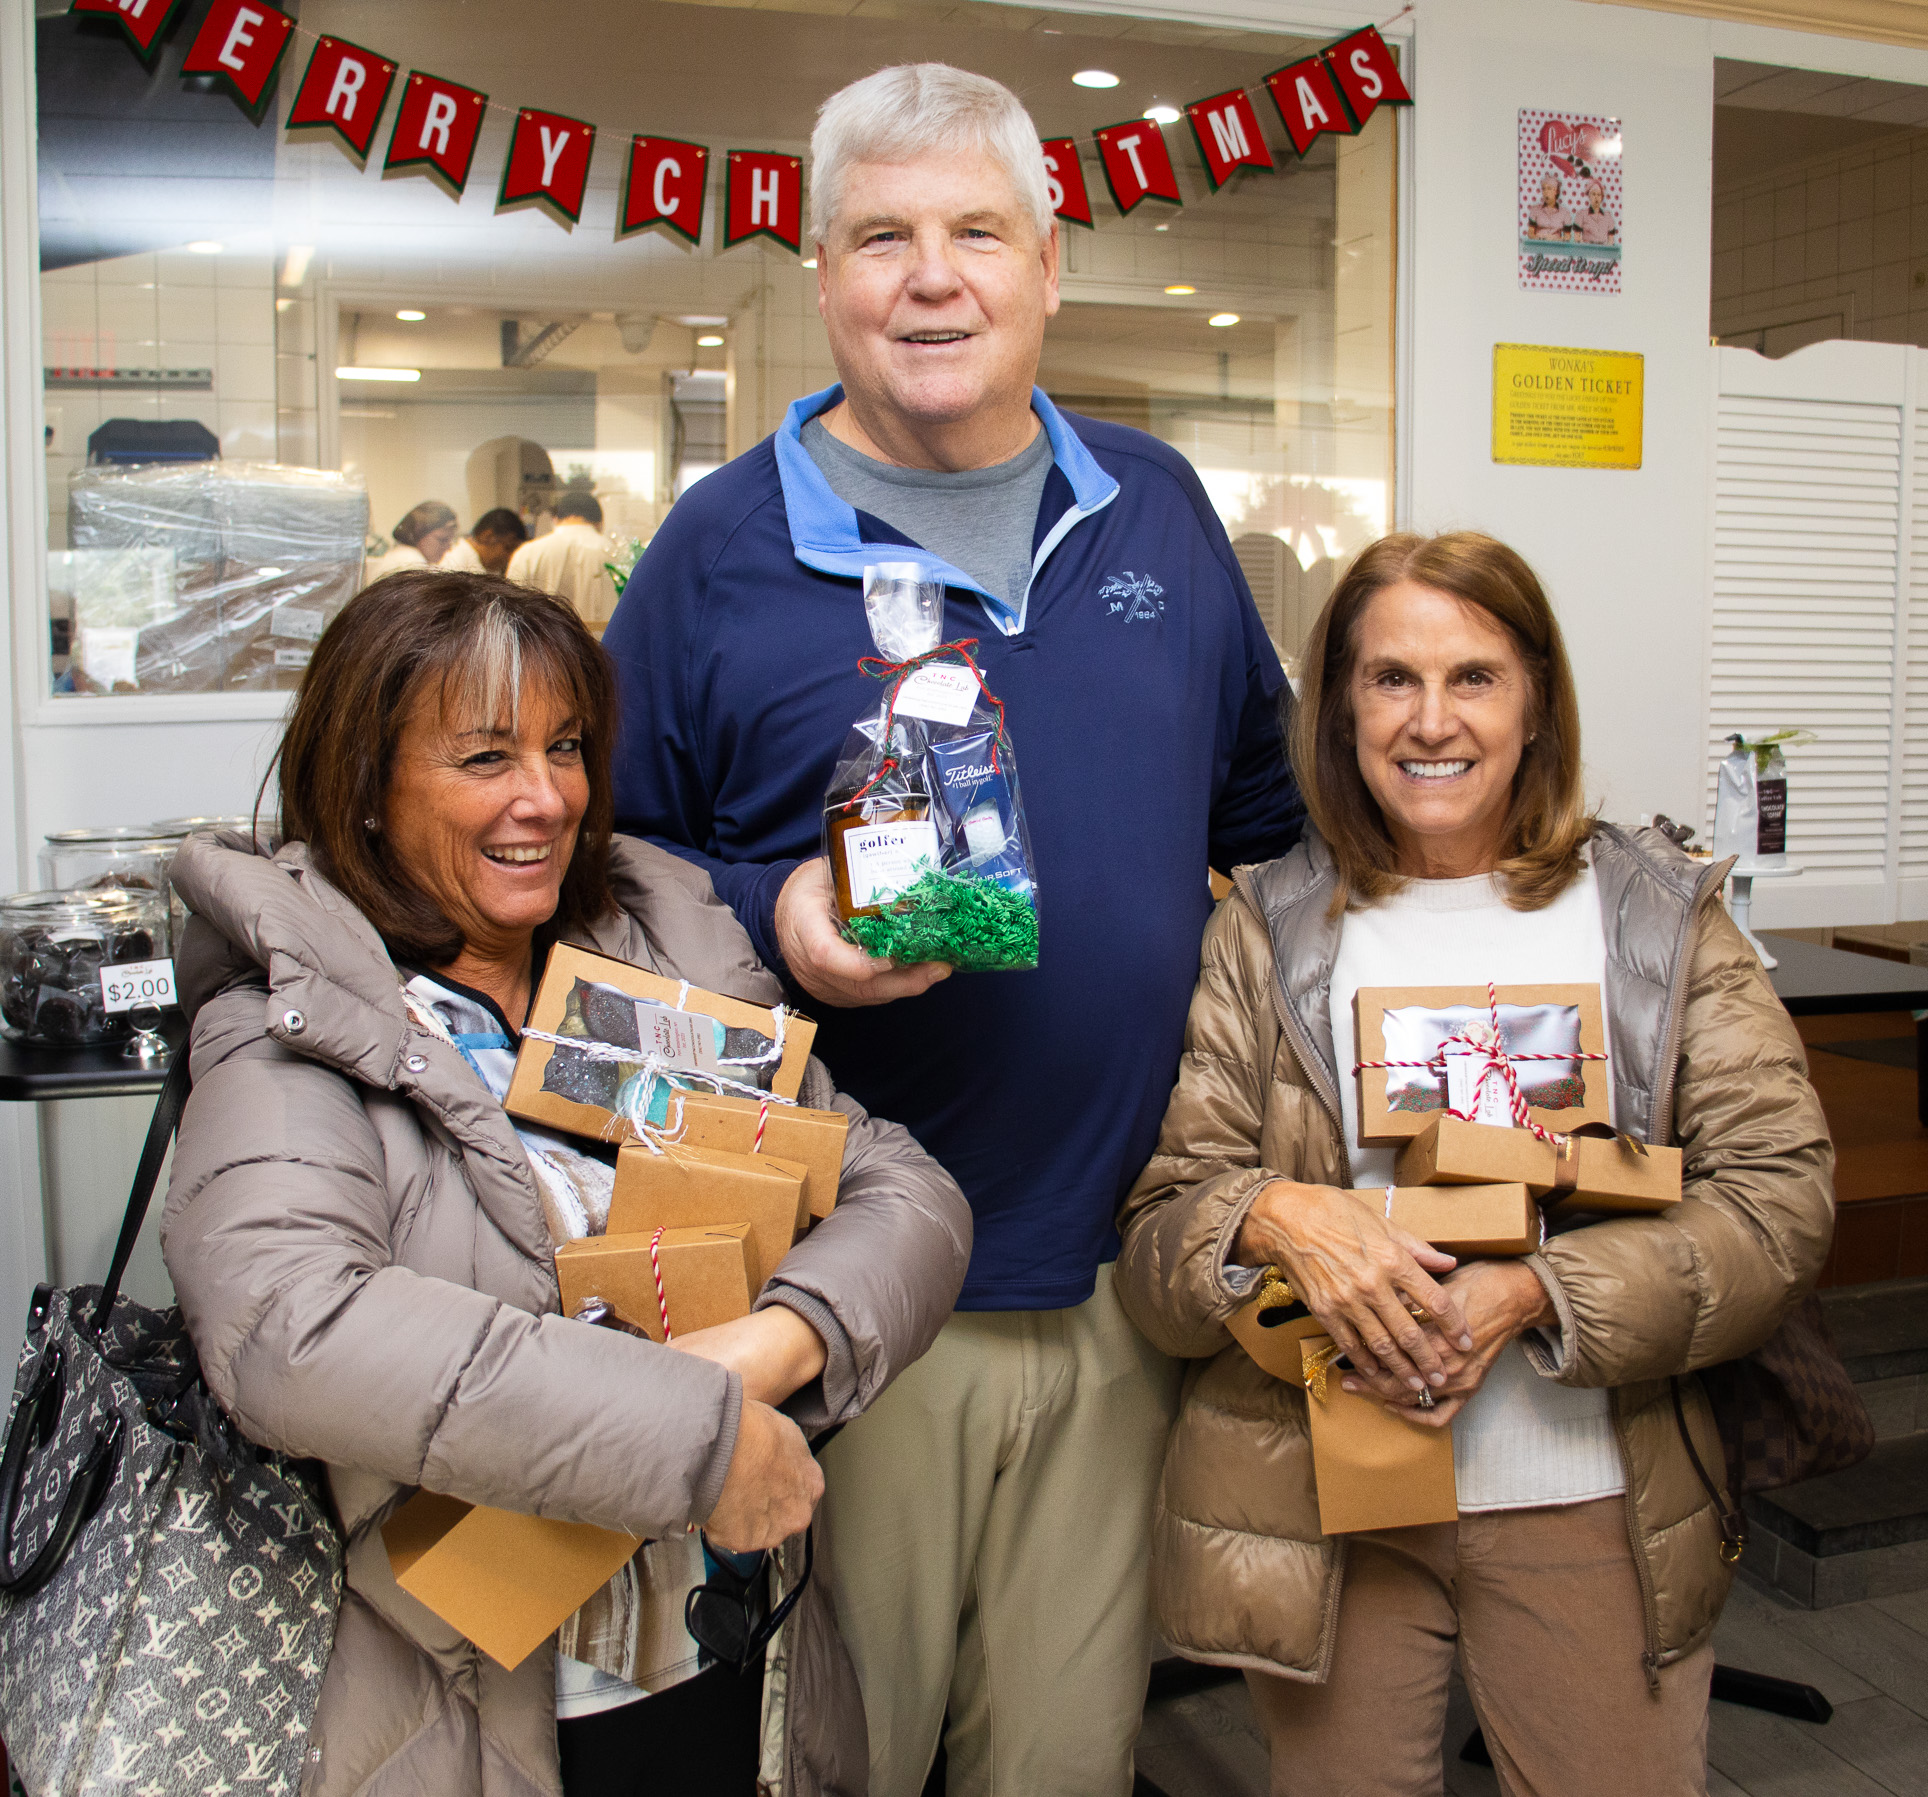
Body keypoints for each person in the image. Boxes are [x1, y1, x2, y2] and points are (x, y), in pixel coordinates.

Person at [604, 62, 1304, 1797]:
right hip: (841, 1296)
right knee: (838, 1760)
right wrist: (775, 919)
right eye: (882, 238)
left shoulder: (1152, 508)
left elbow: (1270, 836)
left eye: (975, 232)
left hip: (1126, 1277)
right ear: (821, 275)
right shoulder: (715, 553)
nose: (933, 277)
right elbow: (599, 892)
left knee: (1061, 1761)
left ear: (1048, 267)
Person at [160, 570, 972, 1797]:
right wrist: (694, 1435)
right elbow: (291, 1331)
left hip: (727, 1653)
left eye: (566, 747)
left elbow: (898, 1190)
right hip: (481, 1706)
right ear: (367, 786)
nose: (544, 797)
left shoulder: (656, 952)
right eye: (484, 757)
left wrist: (765, 1349)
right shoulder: (292, 1022)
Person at [1113, 531, 1834, 1797]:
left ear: (1535, 700)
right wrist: (1276, 1217)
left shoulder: (1654, 919)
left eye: (1472, 678)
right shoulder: (1263, 929)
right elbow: (1163, 1245)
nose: (1428, 720)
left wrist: (1533, 1294)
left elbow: (1777, 1204)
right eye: (1389, 678)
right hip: (1335, 1507)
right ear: (1339, 705)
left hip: (1590, 1504)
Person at [509, 489, 620, 629]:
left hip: (544, 647)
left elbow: (512, 615)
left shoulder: (527, 554)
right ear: (599, 523)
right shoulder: (615, 554)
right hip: (601, 646)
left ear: (555, 520)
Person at [370, 499, 459, 579]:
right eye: (442, 540)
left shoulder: (403, 554)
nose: (448, 548)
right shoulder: (410, 562)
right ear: (419, 533)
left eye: (450, 541)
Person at [440, 505, 531, 575]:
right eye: (508, 548)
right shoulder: (455, 565)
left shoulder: (485, 568)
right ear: (487, 536)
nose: (510, 557)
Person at [1524, 171, 1574, 240]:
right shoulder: (1535, 209)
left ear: (1556, 191)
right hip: (1538, 246)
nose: (1546, 192)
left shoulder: (1565, 213)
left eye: (1549, 188)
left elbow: (1567, 236)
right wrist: (1539, 238)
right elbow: (1530, 233)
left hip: (1557, 247)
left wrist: (1556, 240)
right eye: (1544, 189)